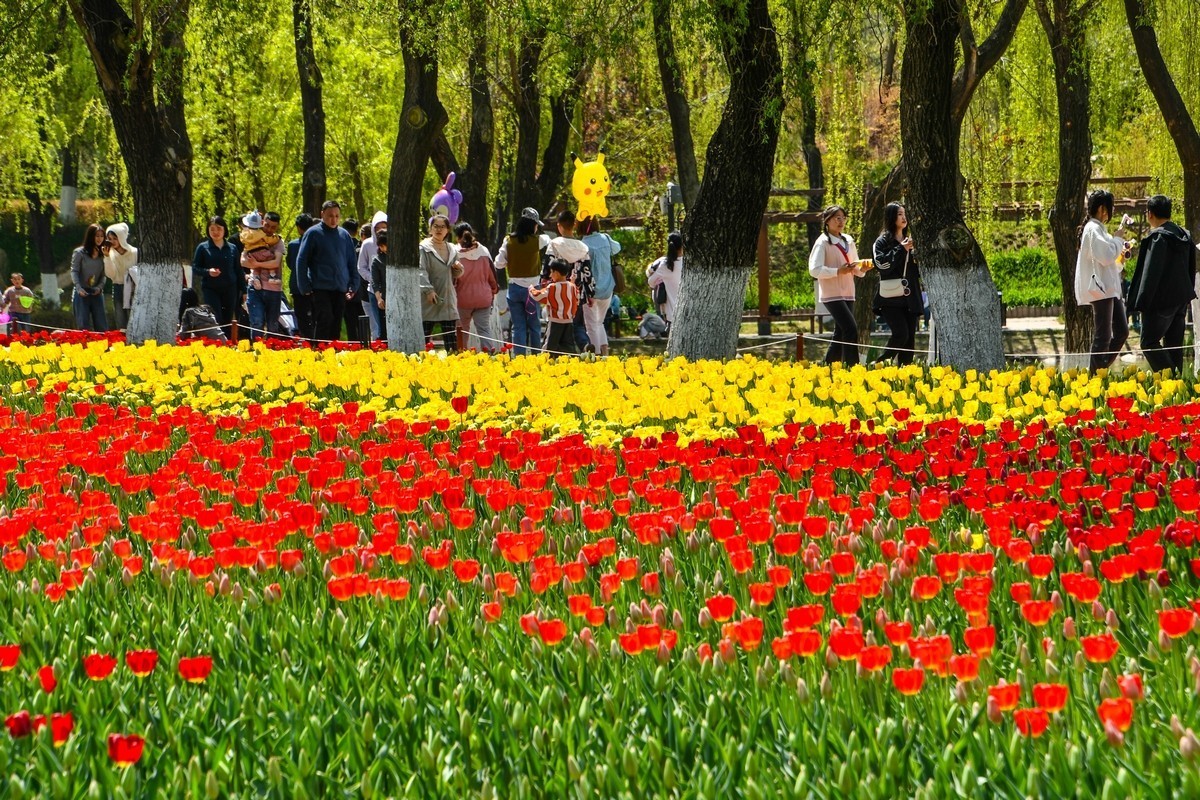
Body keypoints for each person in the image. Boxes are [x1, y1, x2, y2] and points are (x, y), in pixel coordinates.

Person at [1128, 195, 1197, 374]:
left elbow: (1151, 273)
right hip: (1181, 300)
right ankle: (1177, 391)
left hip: (1160, 302)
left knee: (1148, 342)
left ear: (1149, 214)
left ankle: (1171, 381)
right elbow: (1191, 267)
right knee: (1174, 346)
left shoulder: (1158, 238)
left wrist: (1141, 302)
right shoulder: (1184, 235)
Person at [1075, 190, 1132, 374]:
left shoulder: (1098, 229)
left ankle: (1100, 370)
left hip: (1109, 290)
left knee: (1121, 331)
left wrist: (1120, 260)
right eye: (1110, 208)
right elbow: (1106, 256)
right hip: (1101, 291)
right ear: (1102, 208)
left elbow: (1107, 263)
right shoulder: (1093, 229)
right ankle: (1095, 377)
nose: (1111, 211)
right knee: (1103, 335)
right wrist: (1118, 238)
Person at [808, 205, 868, 365]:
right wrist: (837, 271)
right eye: (837, 218)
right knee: (850, 328)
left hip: (848, 291)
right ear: (827, 221)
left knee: (841, 331)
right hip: (831, 293)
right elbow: (814, 270)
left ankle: (828, 366)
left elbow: (855, 267)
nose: (841, 221)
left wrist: (863, 269)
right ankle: (852, 367)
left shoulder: (848, 240)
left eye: (843, 218)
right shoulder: (822, 242)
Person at [296, 200, 359, 342]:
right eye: (330, 215)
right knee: (325, 318)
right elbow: (302, 260)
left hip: (340, 287)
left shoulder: (344, 235)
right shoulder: (313, 233)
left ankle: (333, 352)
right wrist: (304, 286)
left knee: (336, 322)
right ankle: (319, 351)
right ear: (322, 214)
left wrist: (353, 285)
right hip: (320, 287)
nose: (334, 219)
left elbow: (351, 262)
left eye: (337, 216)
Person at [872, 203, 924, 365]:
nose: (904, 217)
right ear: (891, 217)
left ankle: (905, 374)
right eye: (900, 214)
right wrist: (901, 250)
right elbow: (881, 265)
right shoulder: (882, 242)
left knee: (909, 341)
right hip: (890, 298)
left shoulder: (911, 240)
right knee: (901, 334)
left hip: (910, 297)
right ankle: (881, 364)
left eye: (904, 214)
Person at [496, 208, 549, 354]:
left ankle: (519, 358)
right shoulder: (538, 240)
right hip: (533, 290)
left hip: (514, 289)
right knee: (534, 326)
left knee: (518, 327)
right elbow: (548, 239)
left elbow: (498, 263)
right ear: (533, 225)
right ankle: (536, 356)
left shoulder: (508, 241)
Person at [544, 210, 594, 350]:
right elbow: (587, 272)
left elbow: (547, 268)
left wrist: (543, 286)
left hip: (557, 292)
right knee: (577, 325)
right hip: (576, 293)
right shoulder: (583, 248)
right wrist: (589, 293)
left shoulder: (554, 244)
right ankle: (584, 345)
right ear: (575, 225)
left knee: (555, 325)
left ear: (559, 226)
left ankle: (555, 354)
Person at [191, 216, 242, 339]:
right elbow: (195, 268)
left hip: (230, 288)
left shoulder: (232, 248)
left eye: (219, 229)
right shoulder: (203, 247)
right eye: (212, 229)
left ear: (224, 230)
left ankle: (229, 343)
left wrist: (244, 290)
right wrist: (208, 272)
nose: (216, 232)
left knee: (228, 318)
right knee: (215, 316)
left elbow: (238, 270)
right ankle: (216, 342)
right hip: (211, 288)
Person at [419, 214, 462, 351]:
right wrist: (428, 290)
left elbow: (455, 274)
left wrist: (458, 269)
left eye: (442, 226)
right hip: (429, 297)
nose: (439, 229)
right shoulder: (424, 248)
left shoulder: (452, 249)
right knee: (424, 337)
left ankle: (453, 363)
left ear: (448, 230)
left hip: (447, 296)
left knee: (451, 340)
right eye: (435, 226)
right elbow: (421, 270)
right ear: (430, 229)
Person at [454, 222, 499, 352]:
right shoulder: (483, 251)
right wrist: (494, 290)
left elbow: (453, 280)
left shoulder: (456, 254)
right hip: (483, 299)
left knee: (462, 331)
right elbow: (493, 276)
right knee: (484, 329)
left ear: (457, 238)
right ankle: (490, 357)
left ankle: (461, 357)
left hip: (463, 300)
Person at [580, 216, 621, 356]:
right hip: (608, 288)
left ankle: (596, 356)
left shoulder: (583, 244)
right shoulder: (606, 238)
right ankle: (605, 353)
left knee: (591, 325)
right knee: (599, 322)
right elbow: (617, 248)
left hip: (591, 291)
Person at [242, 211, 286, 341]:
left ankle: (272, 350)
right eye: (267, 225)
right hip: (254, 288)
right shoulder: (253, 237)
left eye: (273, 227)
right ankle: (257, 349)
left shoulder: (278, 241)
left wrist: (255, 263)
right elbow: (243, 260)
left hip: (273, 289)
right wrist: (257, 264)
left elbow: (276, 262)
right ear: (262, 223)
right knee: (256, 322)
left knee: (273, 325)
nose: (269, 229)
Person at [531, 258, 579, 354]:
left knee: (549, 347)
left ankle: (544, 362)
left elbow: (537, 296)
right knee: (568, 346)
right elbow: (576, 300)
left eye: (551, 272)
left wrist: (531, 289)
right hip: (568, 321)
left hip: (555, 322)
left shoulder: (552, 287)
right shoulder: (572, 286)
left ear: (556, 273)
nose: (550, 275)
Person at [71, 224, 108, 331]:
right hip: (82, 293)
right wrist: (79, 288)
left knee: (101, 325)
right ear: (91, 236)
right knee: (83, 325)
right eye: (97, 236)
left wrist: (100, 287)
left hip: (96, 292)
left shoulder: (104, 254)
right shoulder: (79, 253)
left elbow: (104, 274)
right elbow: (74, 271)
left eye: (102, 236)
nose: (99, 239)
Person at [287, 213, 317, 343]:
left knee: (301, 316)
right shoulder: (317, 242)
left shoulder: (293, 245)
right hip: (315, 285)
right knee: (316, 315)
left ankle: (306, 340)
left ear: (298, 228)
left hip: (297, 285)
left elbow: (290, 263)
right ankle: (316, 340)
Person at [357, 211, 387, 340]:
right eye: (378, 228)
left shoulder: (394, 243)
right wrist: (373, 279)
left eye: (384, 227)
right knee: (377, 326)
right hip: (374, 292)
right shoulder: (367, 244)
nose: (381, 230)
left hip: (390, 289)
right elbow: (361, 267)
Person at [103, 222, 137, 330]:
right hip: (118, 287)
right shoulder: (110, 254)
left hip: (133, 289)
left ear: (121, 238)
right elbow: (111, 275)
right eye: (109, 239)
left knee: (134, 319)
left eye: (114, 238)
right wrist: (107, 257)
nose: (112, 241)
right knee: (121, 321)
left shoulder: (135, 252)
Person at [646, 231, 683, 327]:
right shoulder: (689, 263)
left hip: (672, 315)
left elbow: (651, 283)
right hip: (688, 314)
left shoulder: (664, 265)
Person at [371, 229, 389, 333]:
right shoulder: (377, 260)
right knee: (384, 329)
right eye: (381, 246)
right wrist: (379, 298)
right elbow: (375, 282)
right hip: (385, 297)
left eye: (385, 245)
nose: (384, 248)